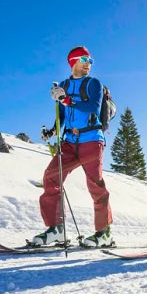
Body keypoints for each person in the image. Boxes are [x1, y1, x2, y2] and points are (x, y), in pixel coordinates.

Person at [32, 46, 113, 248]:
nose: (88, 63)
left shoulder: (93, 83)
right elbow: (61, 114)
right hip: (69, 142)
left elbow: (92, 107)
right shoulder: (64, 85)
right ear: (73, 61)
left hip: (92, 139)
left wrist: (66, 99)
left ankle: (104, 233)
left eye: (90, 60)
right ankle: (56, 229)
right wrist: (51, 131)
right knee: (51, 176)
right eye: (84, 59)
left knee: (95, 183)